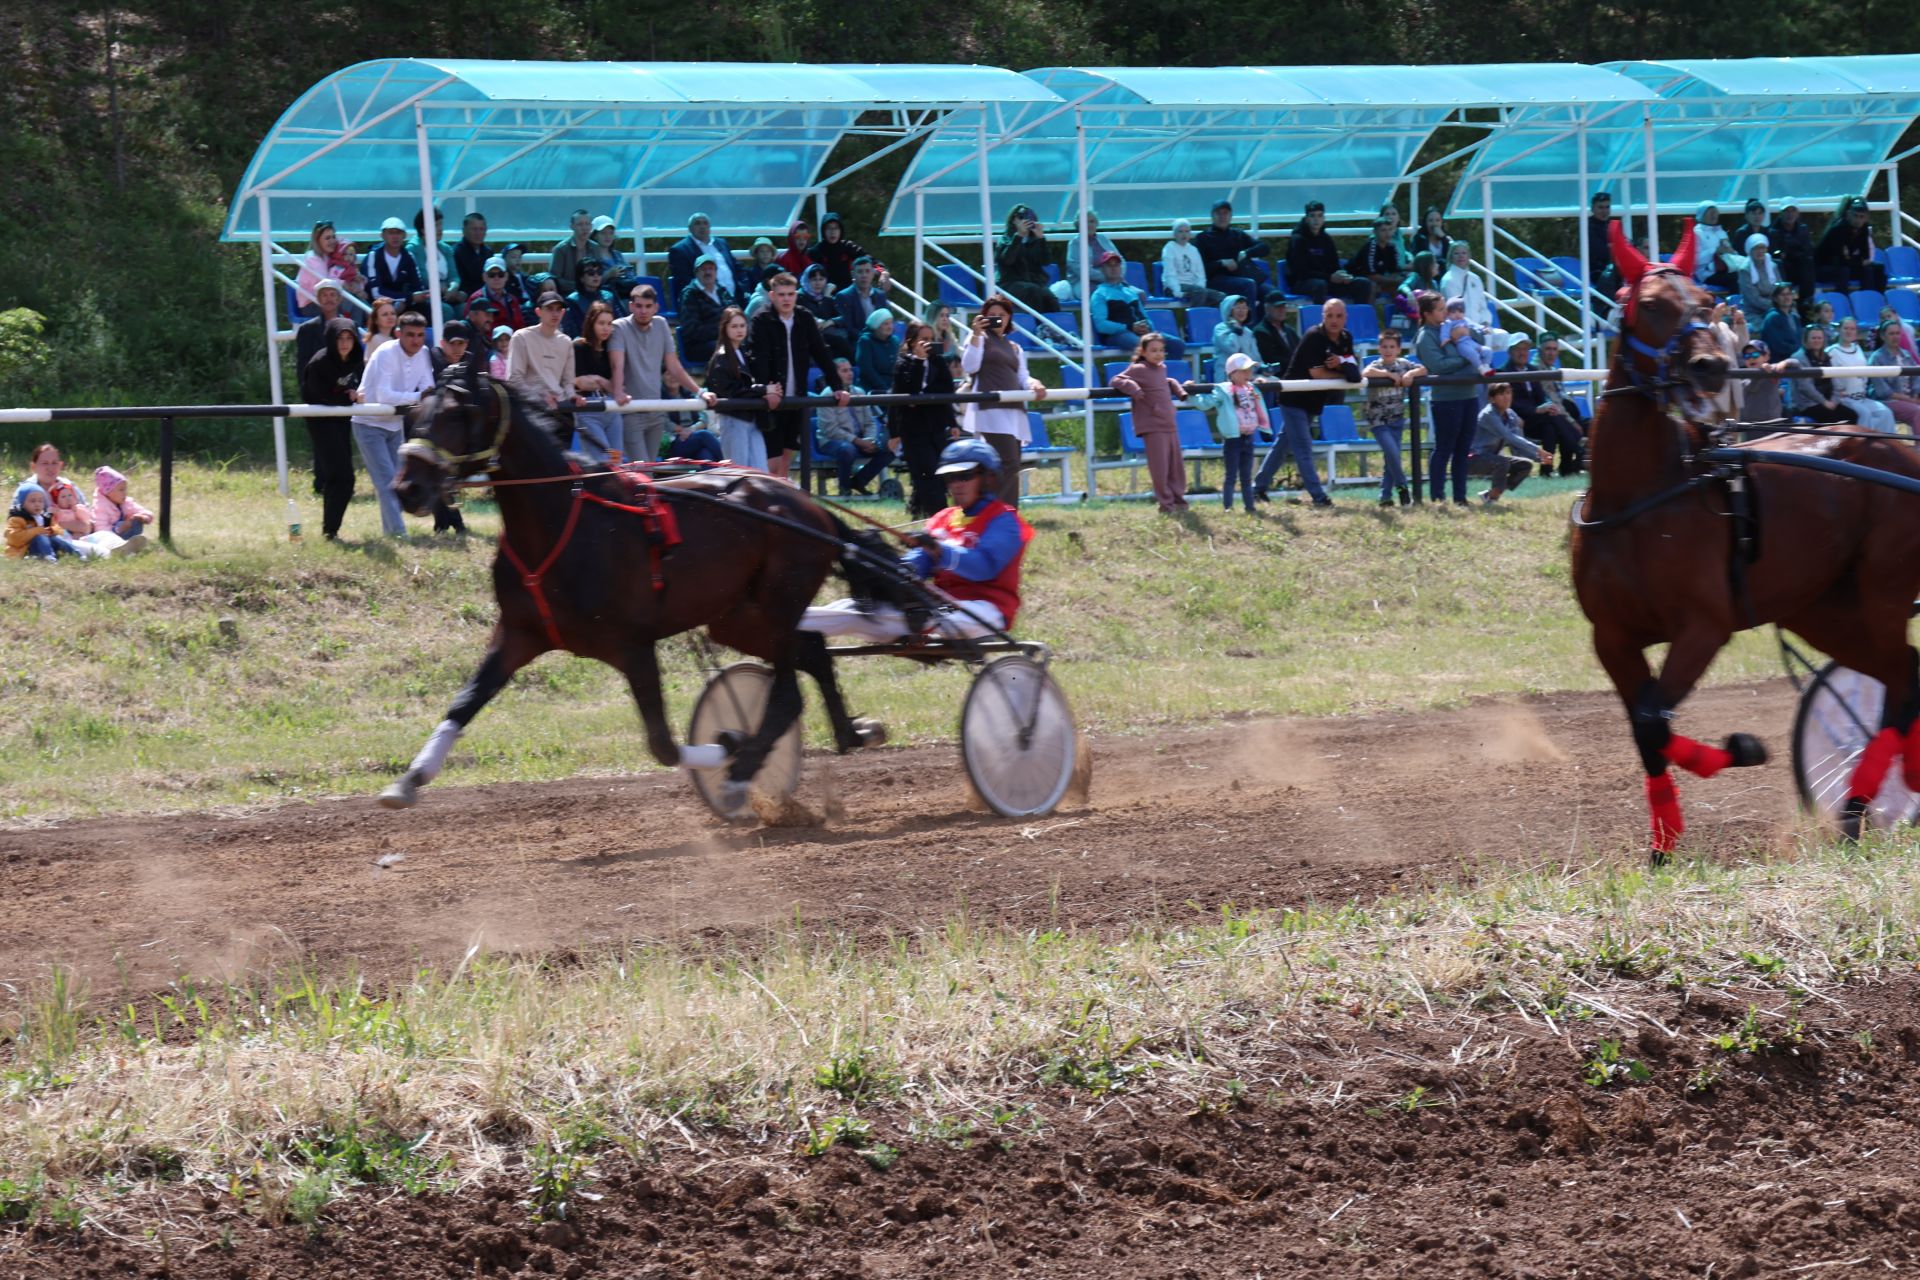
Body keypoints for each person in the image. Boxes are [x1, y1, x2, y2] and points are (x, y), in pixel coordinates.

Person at [800, 437, 1033, 643]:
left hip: (987, 611)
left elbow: (985, 567)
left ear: (989, 477)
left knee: (866, 616)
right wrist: (894, 570)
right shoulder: (943, 518)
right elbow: (918, 564)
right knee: (852, 608)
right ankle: (786, 618)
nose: (956, 484)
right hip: (943, 607)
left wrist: (939, 549)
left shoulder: (1004, 520)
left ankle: (787, 619)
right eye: (950, 478)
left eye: (965, 475)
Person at [1254, 297, 1356, 507]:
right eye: (1329, 316)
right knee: (1303, 446)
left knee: (1282, 445)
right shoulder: (1313, 336)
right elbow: (1316, 373)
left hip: (1314, 400)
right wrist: (1341, 371)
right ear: (1323, 317)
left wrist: (1343, 367)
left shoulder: (1346, 338)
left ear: (1345, 318)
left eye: (1338, 316)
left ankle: (1258, 487)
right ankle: (1319, 496)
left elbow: (1353, 367)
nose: (1334, 320)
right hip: (1293, 398)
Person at [747, 273, 848, 480]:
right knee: (771, 462)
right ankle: (768, 503)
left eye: (791, 294)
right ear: (772, 295)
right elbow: (759, 358)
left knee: (787, 458)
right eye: (782, 295)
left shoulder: (805, 318)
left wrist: (837, 385)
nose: (786, 299)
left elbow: (821, 352)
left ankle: (780, 506)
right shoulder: (761, 319)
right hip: (771, 400)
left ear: (796, 295)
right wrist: (767, 390)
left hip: (797, 398)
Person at [959, 295, 1050, 506]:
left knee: (1009, 464)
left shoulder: (1015, 347)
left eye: (1002, 315)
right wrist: (975, 334)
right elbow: (970, 367)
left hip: (1014, 410)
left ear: (1009, 318)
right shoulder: (978, 338)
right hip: (990, 409)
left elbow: (1023, 376)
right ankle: (1004, 512)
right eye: (992, 315)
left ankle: (995, 510)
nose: (997, 319)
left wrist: (1035, 384)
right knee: (1008, 462)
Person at [351, 311, 434, 537]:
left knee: (395, 483)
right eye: (410, 335)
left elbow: (429, 387)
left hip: (394, 425)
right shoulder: (386, 352)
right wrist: (418, 397)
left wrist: (422, 395)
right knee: (388, 481)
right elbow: (384, 395)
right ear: (398, 334)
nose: (416, 340)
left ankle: (392, 532)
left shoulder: (424, 352)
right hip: (368, 424)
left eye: (419, 335)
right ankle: (399, 535)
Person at [611, 283, 703, 465]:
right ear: (630, 306)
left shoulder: (661, 324)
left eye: (647, 306)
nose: (643, 311)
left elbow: (674, 366)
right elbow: (617, 365)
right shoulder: (619, 327)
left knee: (648, 474)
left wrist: (699, 392)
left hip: (656, 410)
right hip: (631, 411)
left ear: (656, 307)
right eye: (638, 306)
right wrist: (618, 392)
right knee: (642, 474)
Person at [299, 316, 363, 541]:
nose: (345, 343)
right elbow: (316, 396)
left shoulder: (355, 359)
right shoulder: (319, 363)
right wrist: (347, 398)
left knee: (340, 477)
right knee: (343, 476)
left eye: (349, 338)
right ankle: (330, 530)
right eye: (340, 339)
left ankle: (330, 530)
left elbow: (356, 383)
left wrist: (354, 392)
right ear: (331, 340)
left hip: (342, 420)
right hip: (322, 422)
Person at [1110, 332, 1187, 514]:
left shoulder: (1162, 368)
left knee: (1176, 466)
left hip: (1169, 423)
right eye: (1154, 350)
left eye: (1161, 350)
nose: (1158, 354)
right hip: (1153, 425)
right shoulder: (1138, 369)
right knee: (1160, 467)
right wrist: (1133, 388)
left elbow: (1164, 382)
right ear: (1143, 352)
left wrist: (1178, 387)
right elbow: (1116, 379)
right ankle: (1166, 505)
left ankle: (1179, 501)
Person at [1415, 291, 1480, 506]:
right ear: (1427, 313)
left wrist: (1466, 331)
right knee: (1444, 448)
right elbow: (1438, 366)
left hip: (1469, 394)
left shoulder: (1454, 324)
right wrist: (1466, 359)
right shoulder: (1426, 337)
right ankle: (1437, 496)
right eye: (1441, 309)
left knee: (1463, 448)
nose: (1447, 312)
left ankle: (1460, 497)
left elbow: (1479, 337)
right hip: (1446, 399)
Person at [1185, 351, 1268, 513]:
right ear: (1232, 373)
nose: (1248, 374)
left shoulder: (1251, 389)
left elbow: (1258, 396)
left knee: (1246, 476)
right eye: (1244, 371)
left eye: (1250, 370)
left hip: (1248, 437)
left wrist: (1261, 382)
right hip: (1233, 439)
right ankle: (1228, 507)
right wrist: (1191, 393)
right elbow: (1205, 403)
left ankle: (1249, 507)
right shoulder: (1224, 390)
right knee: (1231, 475)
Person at [891, 320, 959, 518]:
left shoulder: (938, 361)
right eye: (924, 340)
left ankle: (916, 514)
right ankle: (941, 518)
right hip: (914, 429)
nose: (928, 343)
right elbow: (905, 394)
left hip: (936, 426)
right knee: (928, 473)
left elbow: (946, 390)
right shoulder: (903, 363)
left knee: (937, 473)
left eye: (931, 339)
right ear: (912, 342)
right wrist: (919, 362)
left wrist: (952, 422)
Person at [701, 308, 777, 471]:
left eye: (742, 325)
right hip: (733, 419)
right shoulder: (721, 357)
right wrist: (764, 390)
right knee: (739, 472)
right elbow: (731, 390)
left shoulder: (743, 353)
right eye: (734, 326)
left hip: (750, 418)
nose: (739, 330)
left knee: (760, 471)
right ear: (725, 328)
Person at [816, 358, 896, 496]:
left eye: (850, 370)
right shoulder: (826, 396)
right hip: (831, 441)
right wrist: (857, 441)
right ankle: (844, 488)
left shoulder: (859, 391)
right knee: (847, 449)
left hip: (859, 440)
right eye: (844, 370)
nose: (850, 373)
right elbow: (830, 430)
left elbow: (870, 422)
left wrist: (870, 439)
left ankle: (859, 482)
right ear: (834, 374)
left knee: (890, 448)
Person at [1361, 328, 1422, 508]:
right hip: (1378, 419)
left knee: (1391, 458)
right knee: (1393, 453)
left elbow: (1424, 369)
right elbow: (1365, 372)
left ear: (1398, 350)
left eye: (1392, 347)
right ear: (1379, 348)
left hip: (1397, 419)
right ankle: (1403, 488)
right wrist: (1388, 375)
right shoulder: (1376, 366)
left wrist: (1410, 374)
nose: (1388, 350)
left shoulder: (1404, 364)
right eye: (1384, 346)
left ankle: (1385, 496)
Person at [1511, 334, 1584, 477]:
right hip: (1519, 421)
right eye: (1518, 349)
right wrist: (1536, 409)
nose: (1522, 353)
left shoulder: (1532, 370)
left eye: (1525, 349)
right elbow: (1512, 403)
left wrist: (1545, 407)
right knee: (1553, 418)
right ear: (1510, 352)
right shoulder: (1504, 372)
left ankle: (1548, 470)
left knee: (1551, 424)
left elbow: (1540, 397)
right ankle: (1578, 452)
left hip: (1540, 419)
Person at [1088, 251, 1184, 356]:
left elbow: (1144, 315)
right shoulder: (1099, 294)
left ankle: (1164, 371)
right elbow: (1101, 325)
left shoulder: (1130, 291)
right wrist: (1130, 327)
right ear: (1102, 269)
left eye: (1116, 265)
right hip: (1118, 334)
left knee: (1177, 344)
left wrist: (1148, 327)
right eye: (1109, 265)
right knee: (1145, 344)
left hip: (1139, 332)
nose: (1113, 268)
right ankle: (1149, 371)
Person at [507, 292, 581, 426]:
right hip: (530, 412)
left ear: (563, 313)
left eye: (559, 309)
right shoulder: (521, 337)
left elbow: (568, 381)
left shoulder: (566, 342)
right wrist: (539, 397)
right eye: (549, 309)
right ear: (538, 312)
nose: (555, 313)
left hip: (561, 412)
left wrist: (572, 395)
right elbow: (514, 379)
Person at [1468, 383, 1546, 504]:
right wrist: (1538, 449)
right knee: (1502, 462)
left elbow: (1518, 442)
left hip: (1493, 458)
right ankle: (1492, 501)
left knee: (1525, 465)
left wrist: (1537, 458)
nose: (1506, 397)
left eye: (1508, 393)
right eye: (1501, 394)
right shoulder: (1488, 414)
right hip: (1472, 459)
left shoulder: (1510, 414)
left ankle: (1490, 495)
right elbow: (1509, 437)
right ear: (1492, 399)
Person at [1285, 201, 1362, 305]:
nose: (1316, 219)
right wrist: (1329, 277)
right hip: (1302, 283)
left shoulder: (1327, 239)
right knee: (1320, 285)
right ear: (1307, 219)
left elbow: (1335, 265)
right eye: (1312, 216)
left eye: (1320, 216)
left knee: (1362, 284)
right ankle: (1320, 319)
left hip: (1326, 281)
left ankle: (1359, 318)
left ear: (1324, 218)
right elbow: (1300, 272)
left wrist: (1342, 276)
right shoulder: (1297, 239)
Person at [571, 302, 621, 462]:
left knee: (616, 461)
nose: (606, 328)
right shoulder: (578, 347)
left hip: (612, 410)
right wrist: (604, 383)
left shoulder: (611, 349)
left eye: (609, 324)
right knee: (602, 463)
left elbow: (616, 387)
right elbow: (580, 383)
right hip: (588, 410)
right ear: (591, 323)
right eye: (601, 323)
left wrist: (598, 380)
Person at [1828, 315, 1896, 432]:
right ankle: (1864, 446)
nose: (1849, 331)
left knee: (1885, 412)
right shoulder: (1832, 351)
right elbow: (1833, 380)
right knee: (1864, 414)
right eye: (1846, 328)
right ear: (1839, 330)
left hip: (1862, 397)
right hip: (1845, 399)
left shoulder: (1857, 348)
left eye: (1852, 329)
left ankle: (1886, 446)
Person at [1196, 199, 1270, 299]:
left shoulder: (1237, 234)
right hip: (1216, 280)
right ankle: (1249, 315)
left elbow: (1265, 248)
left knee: (1273, 295)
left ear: (1231, 216)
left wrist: (1246, 253)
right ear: (1212, 216)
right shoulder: (1203, 238)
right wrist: (1221, 263)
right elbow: (1200, 269)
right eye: (1218, 213)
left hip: (1241, 277)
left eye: (1225, 213)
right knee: (1249, 285)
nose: (1222, 216)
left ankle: (1261, 315)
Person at [994, 205, 1056, 316]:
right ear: (1013, 220)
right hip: (1009, 283)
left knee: (1049, 296)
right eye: (1022, 217)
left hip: (1032, 283)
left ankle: (1055, 330)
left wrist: (1041, 239)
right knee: (1033, 291)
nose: (1026, 220)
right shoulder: (1005, 239)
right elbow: (1007, 260)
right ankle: (1039, 327)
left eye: (1029, 217)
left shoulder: (1035, 240)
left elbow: (1046, 261)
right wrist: (1019, 236)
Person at [1816, 195, 1887, 293]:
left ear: (1866, 217)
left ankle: (1873, 300)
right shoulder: (1838, 229)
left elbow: (1865, 255)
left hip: (1847, 264)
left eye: (1861, 217)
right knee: (1844, 271)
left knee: (1876, 269)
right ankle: (1843, 300)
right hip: (1825, 267)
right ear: (1848, 214)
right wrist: (1858, 261)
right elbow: (1839, 258)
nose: (1858, 220)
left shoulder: (1864, 229)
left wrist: (1858, 261)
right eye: (1855, 216)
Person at [676, 255, 736, 367]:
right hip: (699, 345)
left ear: (716, 271)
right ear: (696, 272)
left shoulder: (722, 291)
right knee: (727, 349)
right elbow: (692, 329)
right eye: (703, 269)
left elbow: (736, 313)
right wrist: (722, 332)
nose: (708, 272)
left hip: (727, 338)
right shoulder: (690, 295)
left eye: (711, 268)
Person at [1789, 324, 1854, 425]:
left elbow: (1834, 380)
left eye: (1819, 338)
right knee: (1836, 420)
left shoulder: (1826, 356)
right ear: (1806, 340)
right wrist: (1824, 402)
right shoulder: (1798, 358)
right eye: (1813, 338)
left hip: (1828, 401)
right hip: (1808, 404)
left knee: (1852, 415)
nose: (1817, 340)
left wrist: (1834, 400)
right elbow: (1805, 387)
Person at [667, 212, 739, 303]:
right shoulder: (680, 250)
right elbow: (684, 281)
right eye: (697, 223)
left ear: (709, 227)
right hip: (705, 302)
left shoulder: (722, 243)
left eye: (705, 223)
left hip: (736, 298)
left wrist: (745, 290)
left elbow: (738, 268)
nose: (702, 226)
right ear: (690, 228)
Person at [6, 481, 87, 560]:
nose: (37, 504)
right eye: (32, 501)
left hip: (45, 546)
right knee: (40, 536)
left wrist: (52, 530)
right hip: (25, 551)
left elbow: (59, 530)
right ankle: (48, 557)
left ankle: (76, 554)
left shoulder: (45, 517)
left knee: (57, 539)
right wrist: (37, 531)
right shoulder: (17, 519)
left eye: (40, 501)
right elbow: (14, 538)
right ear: (22, 503)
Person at [296, 221, 366, 312]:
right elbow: (326, 283)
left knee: (361, 302)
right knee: (353, 305)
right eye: (327, 238)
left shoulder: (329, 256)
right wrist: (345, 284)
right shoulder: (313, 258)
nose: (332, 241)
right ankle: (353, 325)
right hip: (311, 303)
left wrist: (356, 282)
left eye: (333, 237)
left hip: (327, 299)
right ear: (317, 240)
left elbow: (346, 272)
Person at [1055, 210, 1119, 305]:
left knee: (1138, 294)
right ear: (1078, 225)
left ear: (1096, 223)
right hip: (1084, 283)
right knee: (1106, 295)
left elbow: (1120, 259)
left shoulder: (1103, 239)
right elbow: (1080, 270)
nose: (1089, 225)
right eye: (1085, 222)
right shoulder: (1075, 244)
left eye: (1092, 221)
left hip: (1111, 279)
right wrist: (1106, 277)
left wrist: (1117, 275)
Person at [363, 216, 426, 309]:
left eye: (399, 232)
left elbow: (417, 287)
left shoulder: (408, 256)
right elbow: (375, 293)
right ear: (382, 235)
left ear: (404, 236)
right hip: (377, 306)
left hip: (404, 305)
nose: (395, 236)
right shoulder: (374, 256)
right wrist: (406, 298)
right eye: (391, 232)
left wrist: (405, 302)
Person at [408, 205, 465, 309]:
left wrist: (453, 288)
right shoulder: (413, 249)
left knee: (466, 308)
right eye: (436, 225)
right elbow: (422, 277)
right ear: (423, 229)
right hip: (426, 296)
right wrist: (441, 289)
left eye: (441, 224)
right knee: (445, 310)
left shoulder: (446, 249)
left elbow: (454, 276)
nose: (440, 229)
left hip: (447, 294)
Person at [1347, 217, 1402, 319]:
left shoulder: (1391, 247)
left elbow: (1395, 271)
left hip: (1379, 281)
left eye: (1390, 230)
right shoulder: (1370, 247)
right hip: (1356, 280)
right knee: (1371, 286)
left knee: (1400, 285)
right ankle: (1368, 319)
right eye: (1383, 230)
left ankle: (1398, 318)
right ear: (1375, 232)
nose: (1387, 233)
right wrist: (1390, 280)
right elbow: (1370, 275)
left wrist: (1394, 280)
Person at [1872, 319, 1920, 434]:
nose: (1895, 337)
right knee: (1918, 411)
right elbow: (1883, 392)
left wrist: (1917, 396)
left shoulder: (1906, 355)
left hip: (1911, 398)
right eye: (1891, 334)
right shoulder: (1876, 358)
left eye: (1898, 333)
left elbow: (1917, 378)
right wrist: (1911, 400)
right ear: (1883, 336)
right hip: (1889, 401)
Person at [1439, 242, 1499, 332]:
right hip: (1460, 328)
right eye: (1456, 253)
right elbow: (1454, 311)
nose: (1461, 256)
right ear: (1451, 257)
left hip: (1481, 326)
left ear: (1469, 256)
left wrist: (1485, 323)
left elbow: (1483, 306)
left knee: (1503, 335)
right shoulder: (1448, 280)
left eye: (1464, 253)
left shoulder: (1475, 278)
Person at [1161, 219, 1222, 307]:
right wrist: (1177, 292)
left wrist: (1200, 288)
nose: (1184, 234)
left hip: (1194, 288)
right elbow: (1169, 273)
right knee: (1199, 292)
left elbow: (1200, 274)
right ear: (1174, 234)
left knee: (1220, 296)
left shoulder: (1193, 250)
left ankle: (1211, 318)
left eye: (1187, 231)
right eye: (1180, 231)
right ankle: (1197, 318)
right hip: (1174, 287)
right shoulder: (1169, 248)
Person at [294, 278, 348, 372]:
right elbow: (303, 364)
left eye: (332, 295)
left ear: (339, 299)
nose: (329, 299)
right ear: (318, 299)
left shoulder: (350, 326)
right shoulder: (307, 329)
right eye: (324, 295)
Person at [92, 465, 156, 542]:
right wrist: (119, 528)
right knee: (120, 525)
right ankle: (123, 545)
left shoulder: (126, 502)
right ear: (108, 492)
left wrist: (143, 517)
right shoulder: (101, 507)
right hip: (110, 539)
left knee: (136, 520)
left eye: (125, 489)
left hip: (127, 534)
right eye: (121, 490)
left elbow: (145, 512)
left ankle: (134, 541)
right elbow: (100, 530)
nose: (125, 493)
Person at [1770, 205, 1818, 303]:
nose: (1790, 214)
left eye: (1793, 211)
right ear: (1781, 213)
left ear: (1797, 213)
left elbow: (1808, 249)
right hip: (1784, 267)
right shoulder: (1773, 231)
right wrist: (1782, 253)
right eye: (1786, 211)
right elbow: (1775, 252)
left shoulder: (1803, 229)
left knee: (1808, 264)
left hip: (1799, 266)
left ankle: (1806, 302)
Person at [463, 258, 526, 331]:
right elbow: (470, 328)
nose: (496, 278)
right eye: (491, 275)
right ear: (484, 277)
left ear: (506, 276)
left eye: (500, 274)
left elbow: (520, 326)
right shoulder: (475, 299)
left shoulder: (513, 300)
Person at [562, 259, 619, 339]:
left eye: (599, 272)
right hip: (584, 343)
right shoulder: (572, 301)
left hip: (609, 341)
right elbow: (572, 332)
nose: (596, 276)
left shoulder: (609, 296)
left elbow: (619, 323)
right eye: (591, 273)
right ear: (581, 278)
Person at [835, 257, 890, 339]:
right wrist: (869, 340)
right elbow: (849, 328)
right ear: (853, 274)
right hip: (858, 343)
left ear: (872, 274)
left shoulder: (880, 295)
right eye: (860, 272)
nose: (864, 275)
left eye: (867, 271)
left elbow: (887, 321)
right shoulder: (844, 296)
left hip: (880, 342)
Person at [1736, 340, 1790, 424]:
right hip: (1749, 426)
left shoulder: (1771, 371)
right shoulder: (1742, 380)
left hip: (1772, 424)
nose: (1751, 358)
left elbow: (1796, 363)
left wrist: (1785, 363)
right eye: (1747, 356)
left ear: (1766, 357)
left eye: (1755, 355)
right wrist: (1760, 374)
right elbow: (1752, 388)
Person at [547, 209, 596, 299]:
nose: (584, 228)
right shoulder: (561, 249)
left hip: (592, 293)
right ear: (572, 226)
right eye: (580, 224)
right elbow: (555, 279)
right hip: (568, 295)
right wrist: (579, 286)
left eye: (587, 224)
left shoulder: (595, 247)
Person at [1442, 297, 1498, 375]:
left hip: (1471, 342)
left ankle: (1486, 366)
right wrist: (1444, 339)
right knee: (1472, 354)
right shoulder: (1448, 323)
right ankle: (1481, 368)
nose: (1457, 314)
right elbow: (1444, 332)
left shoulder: (1466, 320)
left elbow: (1475, 325)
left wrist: (1483, 329)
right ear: (1448, 313)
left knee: (1487, 350)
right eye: (1453, 312)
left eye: (1460, 311)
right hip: (1461, 344)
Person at [855, 310, 901, 403]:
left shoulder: (895, 341)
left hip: (893, 388)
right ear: (876, 326)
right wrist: (885, 389)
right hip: (873, 389)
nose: (890, 327)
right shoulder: (865, 341)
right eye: (886, 324)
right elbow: (866, 369)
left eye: (891, 323)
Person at [1252, 291, 1300, 379]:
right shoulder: (1260, 332)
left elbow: (1300, 350)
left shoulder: (1290, 331)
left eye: (1283, 306)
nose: (1281, 310)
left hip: (1296, 375)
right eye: (1277, 307)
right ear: (1267, 309)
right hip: (1278, 379)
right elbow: (1270, 360)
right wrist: (1297, 364)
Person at [809, 212, 863, 290]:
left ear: (841, 230)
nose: (832, 232)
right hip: (823, 296)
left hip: (848, 295)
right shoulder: (816, 251)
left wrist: (883, 273)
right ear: (823, 231)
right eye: (829, 228)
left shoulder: (849, 247)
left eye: (836, 228)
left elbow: (870, 261)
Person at [1393, 251, 1443, 331]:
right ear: (1426, 266)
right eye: (1434, 263)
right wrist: (1410, 294)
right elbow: (1403, 286)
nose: (1438, 265)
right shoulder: (1415, 277)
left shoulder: (1434, 283)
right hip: (1412, 322)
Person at [1736, 233, 1781, 322]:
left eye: (1762, 248)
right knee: (1771, 324)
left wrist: (1783, 303)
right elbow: (1754, 300)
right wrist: (1777, 305)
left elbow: (1780, 289)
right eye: (1756, 248)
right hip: (1754, 312)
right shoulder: (1745, 270)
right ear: (1750, 251)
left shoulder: (1773, 266)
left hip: (1775, 308)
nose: (1760, 251)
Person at [1691, 205, 1737, 290]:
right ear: (1702, 215)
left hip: (1726, 268)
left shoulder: (1720, 231)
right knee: (1736, 278)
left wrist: (1731, 251)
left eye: (1715, 212)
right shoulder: (1696, 233)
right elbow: (1696, 260)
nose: (1714, 215)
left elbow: (1730, 252)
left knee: (1748, 272)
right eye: (1710, 212)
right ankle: (1737, 301)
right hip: (1707, 273)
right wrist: (1715, 250)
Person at [586, 215, 635, 292]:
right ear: (595, 236)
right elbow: (587, 282)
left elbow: (630, 275)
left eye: (611, 233)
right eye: (603, 233)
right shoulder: (590, 257)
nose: (607, 236)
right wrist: (608, 275)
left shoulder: (617, 255)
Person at [452, 212, 493, 296]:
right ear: (464, 230)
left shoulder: (488, 252)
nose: (478, 233)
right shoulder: (455, 252)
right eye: (474, 229)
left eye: (481, 229)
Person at [1212, 294, 1260, 365]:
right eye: (1238, 308)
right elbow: (1233, 350)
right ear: (1228, 310)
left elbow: (1256, 357)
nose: (1242, 311)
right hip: (1227, 373)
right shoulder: (1220, 329)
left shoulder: (1248, 332)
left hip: (1248, 372)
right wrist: (1235, 330)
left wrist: (1262, 368)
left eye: (1244, 308)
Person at [1585, 193, 1617, 294]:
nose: (1605, 211)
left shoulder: (1613, 225)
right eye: (1601, 207)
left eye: (1607, 207)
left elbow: (1625, 246)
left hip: (1614, 270)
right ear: (1592, 208)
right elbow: (1601, 252)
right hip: (1597, 272)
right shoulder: (1587, 226)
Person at [1760, 284, 1803, 360]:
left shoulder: (1795, 317)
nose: (1786, 297)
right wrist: (1799, 351)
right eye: (1782, 294)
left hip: (1796, 359)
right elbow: (1777, 345)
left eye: (1789, 294)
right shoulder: (1773, 317)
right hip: (1779, 362)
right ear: (1775, 298)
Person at [660, 417, 726, 463]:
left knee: (705, 454)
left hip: (695, 438)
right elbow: (666, 423)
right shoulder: (664, 400)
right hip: (675, 443)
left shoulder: (692, 397)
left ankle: (710, 482)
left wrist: (691, 429)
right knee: (704, 434)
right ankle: (728, 464)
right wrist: (682, 431)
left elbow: (703, 420)